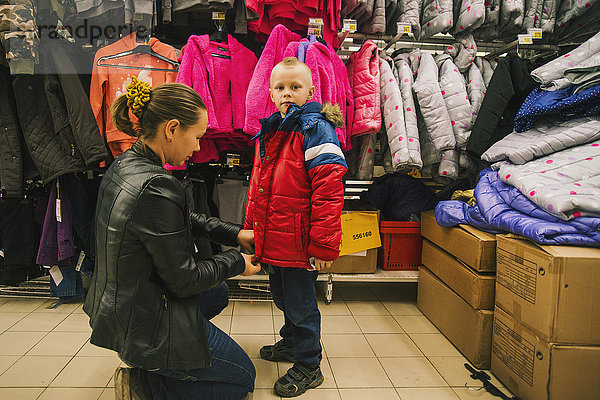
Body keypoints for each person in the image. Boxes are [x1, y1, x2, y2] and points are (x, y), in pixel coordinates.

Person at [83, 78, 262, 400]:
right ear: (172, 128)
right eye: (196, 137)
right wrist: (237, 261)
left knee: (217, 292)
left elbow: (175, 220)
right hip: (142, 321)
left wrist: (233, 233)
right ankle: (147, 382)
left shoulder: (127, 164)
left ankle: (166, 360)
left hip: (121, 306)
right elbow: (184, 280)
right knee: (241, 380)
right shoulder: (156, 184)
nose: (197, 147)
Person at [244, 57, 347, 397]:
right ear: (271, 93)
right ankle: (291, 343)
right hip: (275, 237)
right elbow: (258, 185)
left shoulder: (316, 129)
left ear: (310, 91)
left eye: (295, 87)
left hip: (301, 241)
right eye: (280, 88)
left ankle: (309, 364)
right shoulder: (271, 130)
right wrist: (250, 230)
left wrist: (324, 245)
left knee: (301, 305)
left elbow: (329, 190)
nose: (287, 93)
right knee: (282, 296)